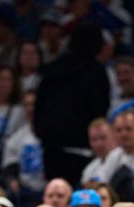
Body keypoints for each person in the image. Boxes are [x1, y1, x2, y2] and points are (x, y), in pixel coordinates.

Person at [35, 22, 110, 185]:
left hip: (51, 152)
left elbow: (38, 109)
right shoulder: (96, 72)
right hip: (81, 151)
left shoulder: (52, 70)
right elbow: (100, 110)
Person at [81, 119, 118, 185]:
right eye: (94, 139)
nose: (99, 144)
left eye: (103, 138)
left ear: (114, 136)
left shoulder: (125, 158)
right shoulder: (89, 170)